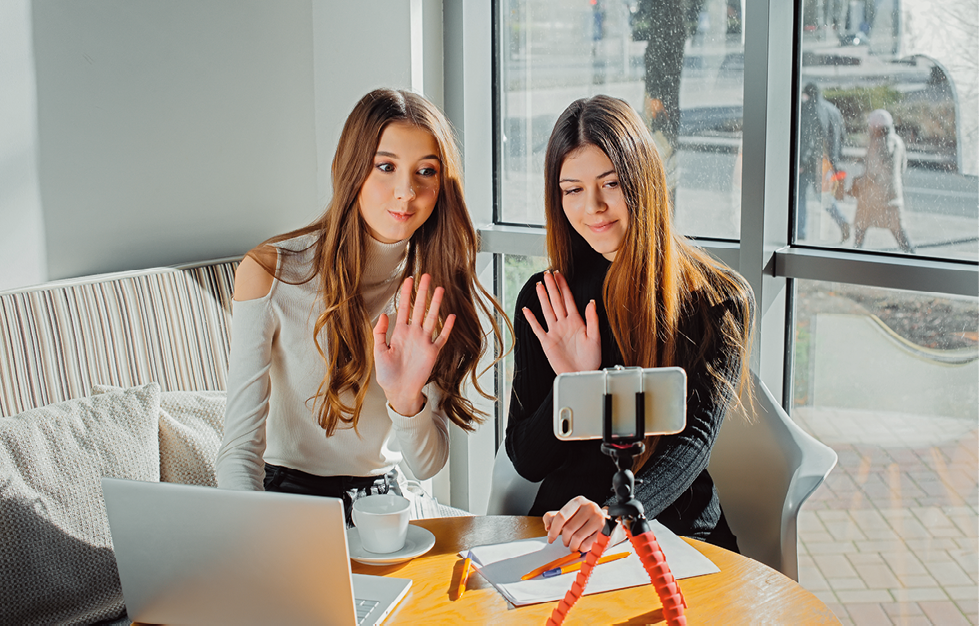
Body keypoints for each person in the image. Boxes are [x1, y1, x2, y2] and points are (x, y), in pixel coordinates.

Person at [215, 88, 507, 522]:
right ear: (349, 170)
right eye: (385, 167)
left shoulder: (433, 289)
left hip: (385, 504)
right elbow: (238, 452)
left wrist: (405, 397)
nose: (405, 192)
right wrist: (255, 535)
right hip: (287, 499)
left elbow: (426, 465)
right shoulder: (271, 272)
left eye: (425, 172)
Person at [505, 95, 754, 554]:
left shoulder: (718, 299)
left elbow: (692, 443)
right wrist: (575, 383)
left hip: (674, 529)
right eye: (572, 189)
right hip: (568, 531)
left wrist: (617, 515)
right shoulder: (548, 299)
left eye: (611, 183)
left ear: (643, 180)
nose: (593, 206)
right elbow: (526, 459)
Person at [851, 108, 915, 253]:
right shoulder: (898, 142)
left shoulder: (875, 143)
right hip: (893, 194)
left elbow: (871, 173)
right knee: (898, 230)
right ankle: (913, 257)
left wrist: (858, 184)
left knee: (861, 229)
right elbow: (902, 167)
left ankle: (854, 259)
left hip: (872, 196)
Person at [798, 82, 850, 243]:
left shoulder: (809, 109)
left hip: (811, 162)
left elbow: (809, 138)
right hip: (827, 161)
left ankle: (799, 231)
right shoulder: (833, 110)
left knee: (798, 195)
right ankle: (842, 221)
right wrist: (834, 161)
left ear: (807, 94)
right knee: (823, 195)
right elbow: (842, 137)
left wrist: (801, 161)